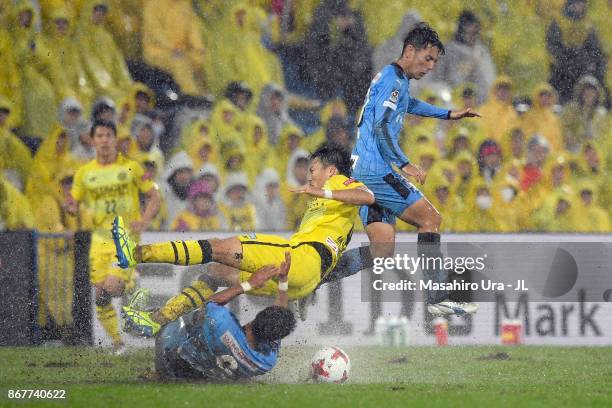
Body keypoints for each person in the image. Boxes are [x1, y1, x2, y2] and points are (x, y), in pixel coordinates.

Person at [113, 144, 374, 335]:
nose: (309, 176)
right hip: (300, 280)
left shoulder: (340, 182)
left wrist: (321, 190)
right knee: (216, 272)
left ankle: (136, 254)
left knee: (218, 247)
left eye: (314, 169)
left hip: (300, 256)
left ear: (331, 170)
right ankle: (158, 319)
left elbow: (367, 196)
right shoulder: (328, 210)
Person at [350, 23, 480, 316]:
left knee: (381, 251)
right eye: (428, 58)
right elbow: (382, 125)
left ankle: (321, 275)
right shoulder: (393, 80)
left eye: (435, 61)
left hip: (362, 170)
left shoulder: (393, 78)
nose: (431, 66)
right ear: (410, 51)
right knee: (430, 219)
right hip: (376, 170)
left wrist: (448, 114)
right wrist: (404, 162)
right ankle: (438, 298)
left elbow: (410, 104)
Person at [65, 120, 160, 353]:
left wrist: (145, 220)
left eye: (108, 135)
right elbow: (73, 202)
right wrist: (70, 207)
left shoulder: (132, 168)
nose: (104, 140)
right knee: (100, 297)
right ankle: (118, 344)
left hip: (125, 236)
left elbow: (154, 195)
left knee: (112, 287)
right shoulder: (84, 173)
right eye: (99, 136)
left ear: (115, 139)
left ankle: (130, 281)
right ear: (93, 140)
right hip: (98, 240)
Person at [125, 253, 296, 380]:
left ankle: (150, 322)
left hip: (171, 363)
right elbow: (277, 317)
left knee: (182, 313)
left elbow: (210, 302)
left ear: (252, 323)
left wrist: (249, 284)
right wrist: (283, 281)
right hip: (201, 377)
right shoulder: (267, 360)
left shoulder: (222, 323)